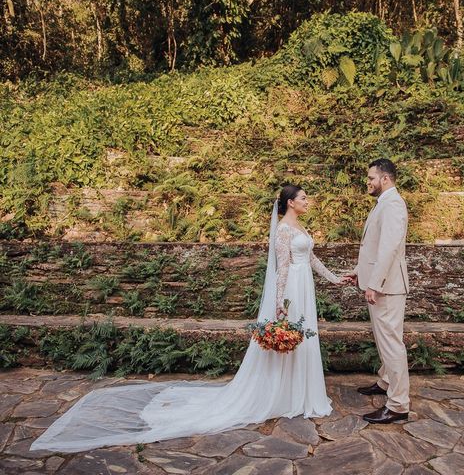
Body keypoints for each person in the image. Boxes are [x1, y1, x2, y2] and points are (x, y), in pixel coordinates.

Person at [31, 184, 343, 453]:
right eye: (303, 197)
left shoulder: (301, 227)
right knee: (290, 336)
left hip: (306, 288)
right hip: (291, 289)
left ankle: (301, 392)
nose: (307, 201)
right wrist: (279, 305)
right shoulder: (285, 230)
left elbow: (312, 258)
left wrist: (336, 279)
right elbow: (282, 268)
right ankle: (283, 393)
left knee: (305, 338)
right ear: (290, 202)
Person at [342, 158, 411, 424]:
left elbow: (389, 248)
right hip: (381, 284)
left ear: (385, 179)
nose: (367, 182)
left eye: (371, 178)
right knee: (385, 341)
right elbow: (373, 247)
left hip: (388, 288)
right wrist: (360, 272)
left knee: (392, 344)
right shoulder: (383, 204)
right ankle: (385, 382)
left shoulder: (393, 204)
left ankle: (398, 405)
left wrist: (375, 283)